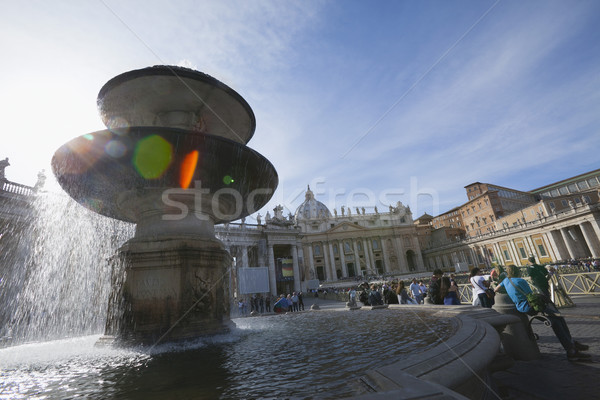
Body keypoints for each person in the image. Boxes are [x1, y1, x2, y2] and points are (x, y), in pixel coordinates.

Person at [494, 264, 590, 361]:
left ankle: (572, 343)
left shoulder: (505, 281)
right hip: (531, 306)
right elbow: (530, 294)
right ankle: (571, 350)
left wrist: (509, 292)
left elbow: (496, 289)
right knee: (557, 321)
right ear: (517, 272)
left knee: (559, 318)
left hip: (521, 307)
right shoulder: (520, 281)